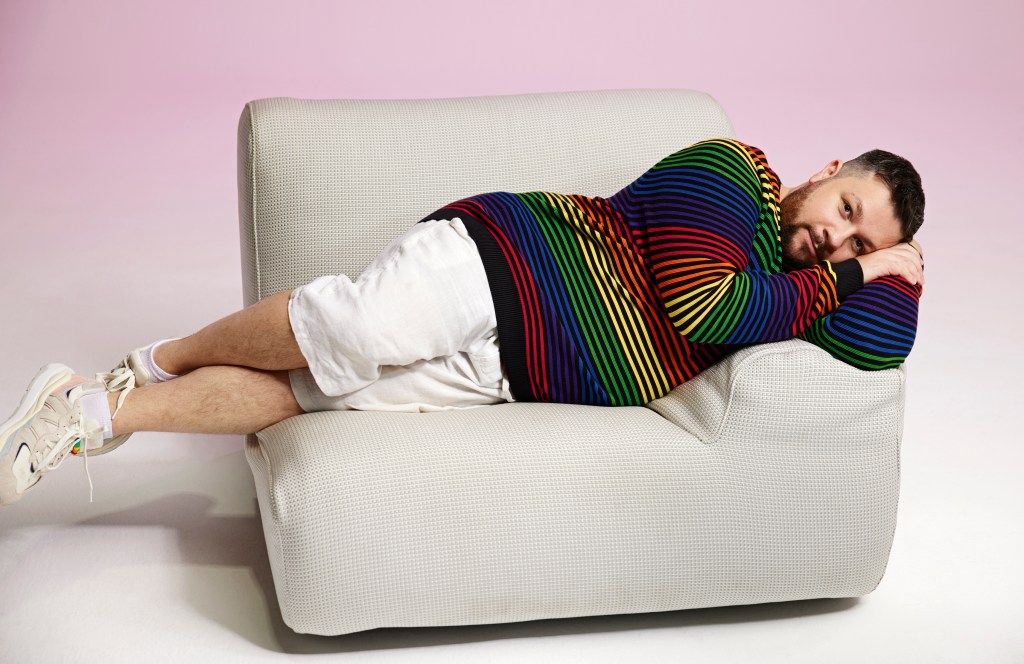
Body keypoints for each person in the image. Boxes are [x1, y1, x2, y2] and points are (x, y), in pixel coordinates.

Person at [0, 138, 925, 505]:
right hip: (508, 263)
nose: (832, 240)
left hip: (514, 374)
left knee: (304, 397)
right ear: (827, 167)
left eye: (855, 245)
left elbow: (884, 343)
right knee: (353, 331)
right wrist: (859, 276)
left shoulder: (799, 289)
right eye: (846, 210)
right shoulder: (741, 177)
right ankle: (153, 360)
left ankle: (85, 412)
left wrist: (899, 277)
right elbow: (700, 302)